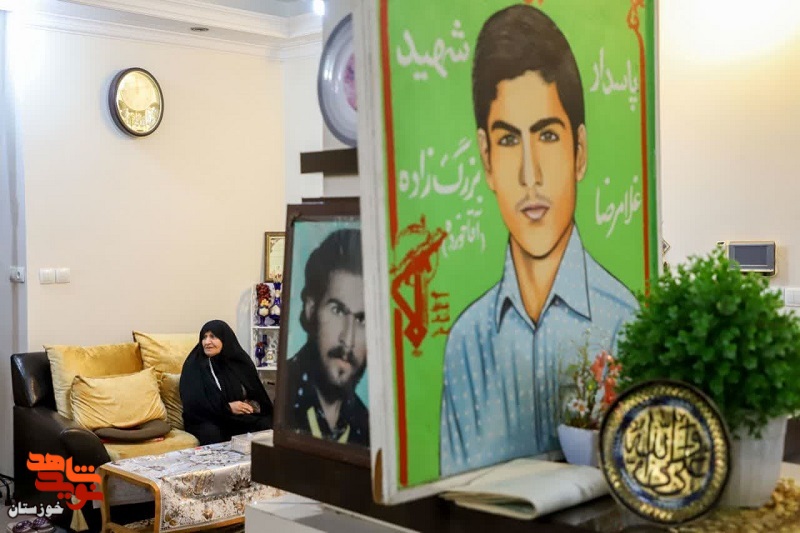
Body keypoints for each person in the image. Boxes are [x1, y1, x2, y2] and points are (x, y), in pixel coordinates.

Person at [439, 5, 639, 476]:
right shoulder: (466, 343)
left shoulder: (624, 323)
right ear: (486, 159)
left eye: (547, 135)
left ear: (579, 152)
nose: (530, 175)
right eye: (509, 141)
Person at [285, 228, 369, 446]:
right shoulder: (283, 398)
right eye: (337, 310)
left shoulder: (366, 427)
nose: (347, 340)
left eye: (362, 319)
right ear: (311, 308)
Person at [180, 319, 273, 445]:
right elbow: (193, 404)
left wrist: (252, 405)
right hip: (206, 419)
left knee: (267, 423)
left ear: (225, 339)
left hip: (236, 417)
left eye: (213, 336)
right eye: (204, 337)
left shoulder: (240, 362)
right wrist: (227, 408)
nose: (207, 342)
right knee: (212, 433)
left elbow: (258, 394)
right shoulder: (194, 365)